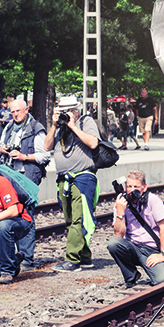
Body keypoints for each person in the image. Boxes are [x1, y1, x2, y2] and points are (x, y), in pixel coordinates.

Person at [45, 95, 99, 272]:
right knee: (69, 220)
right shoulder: (59, 126)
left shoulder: (85, 121)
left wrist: (73, 126)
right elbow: (46, 147)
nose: (64, 114)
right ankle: (85, 258)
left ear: (76, 111)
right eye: (61, 111)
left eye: (67, 111)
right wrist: (54, 126)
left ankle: (72, 260)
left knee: (79, 219)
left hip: (82, 178)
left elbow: (93, 143)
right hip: (64, 179)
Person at [0, 99, 47, 267]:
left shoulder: (36, 128)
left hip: (26, 178)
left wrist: (23, 156)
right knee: (11, 215)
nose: (15, 114)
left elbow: (45, 156)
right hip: (9, 176)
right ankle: (11, 256)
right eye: (12, 112)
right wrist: (1, 150)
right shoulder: (9, 127)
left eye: (18, 111)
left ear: (26, 110)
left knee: (26, 215)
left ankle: (26, 258)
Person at [107, 170, 164, 287]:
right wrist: (120, 212)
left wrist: (163, 254)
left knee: (163, 280)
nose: (132, 190)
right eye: (129, 186)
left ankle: (154, 268)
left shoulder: (153, 200)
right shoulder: (120, 203)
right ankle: (131, 275)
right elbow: (119, 235)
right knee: (113, 243)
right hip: (133, 247)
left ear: (144, 187)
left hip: (152, 249)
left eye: (136, 187)